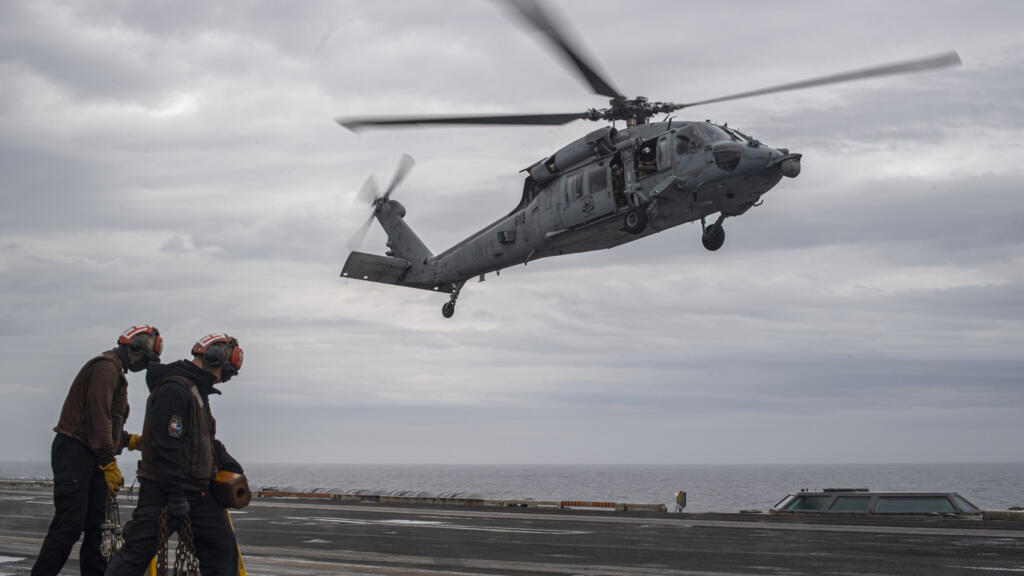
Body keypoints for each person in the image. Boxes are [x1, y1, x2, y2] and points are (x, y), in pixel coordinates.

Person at [105, 332, 245, 576]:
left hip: (196, 492)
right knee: (133, 558)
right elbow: (166, 446)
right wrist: (176, 495)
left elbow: (201, 438)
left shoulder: (195, 390)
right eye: (225, 372)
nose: (222, 379)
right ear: (213, 358)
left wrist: (225, 461)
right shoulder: (175, 389)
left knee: (222, 551)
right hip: (164, 492)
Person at [31, 325, 162, 576]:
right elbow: (98, 420)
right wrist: (108, 463)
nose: (145, 365)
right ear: (135, 348)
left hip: (90, 453)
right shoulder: (105, 368)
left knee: (97, 528)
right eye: (146, 359)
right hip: (76, 452)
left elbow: (106, 425)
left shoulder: (113, 371)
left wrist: (130, 441)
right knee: (68, 526)